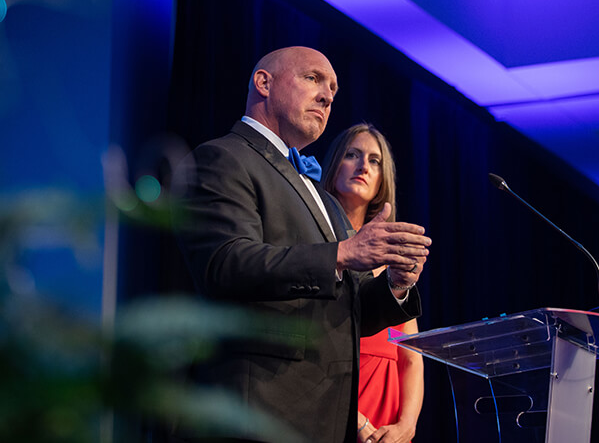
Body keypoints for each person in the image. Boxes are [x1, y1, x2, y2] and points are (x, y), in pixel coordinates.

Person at [172, 46, 431, 443]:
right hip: (256, 410)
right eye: (313, 79)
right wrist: (342, 254)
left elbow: (354, 307)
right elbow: (224, 264)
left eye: (333, 89)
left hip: (323, 418)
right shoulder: (222, 158)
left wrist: (397, 282)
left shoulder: (321, 197)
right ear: (263, 83)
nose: (327, 95)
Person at [323, 124, 424, 443]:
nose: (364, 166)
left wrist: (407, 426)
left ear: (382, 180)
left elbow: (412, 356)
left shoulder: (392, 261)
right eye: (352, 155)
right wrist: (358, 423)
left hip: (389, 430)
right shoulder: (319, 248)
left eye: (375, 160)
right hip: (333, 417)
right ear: (335, 165)